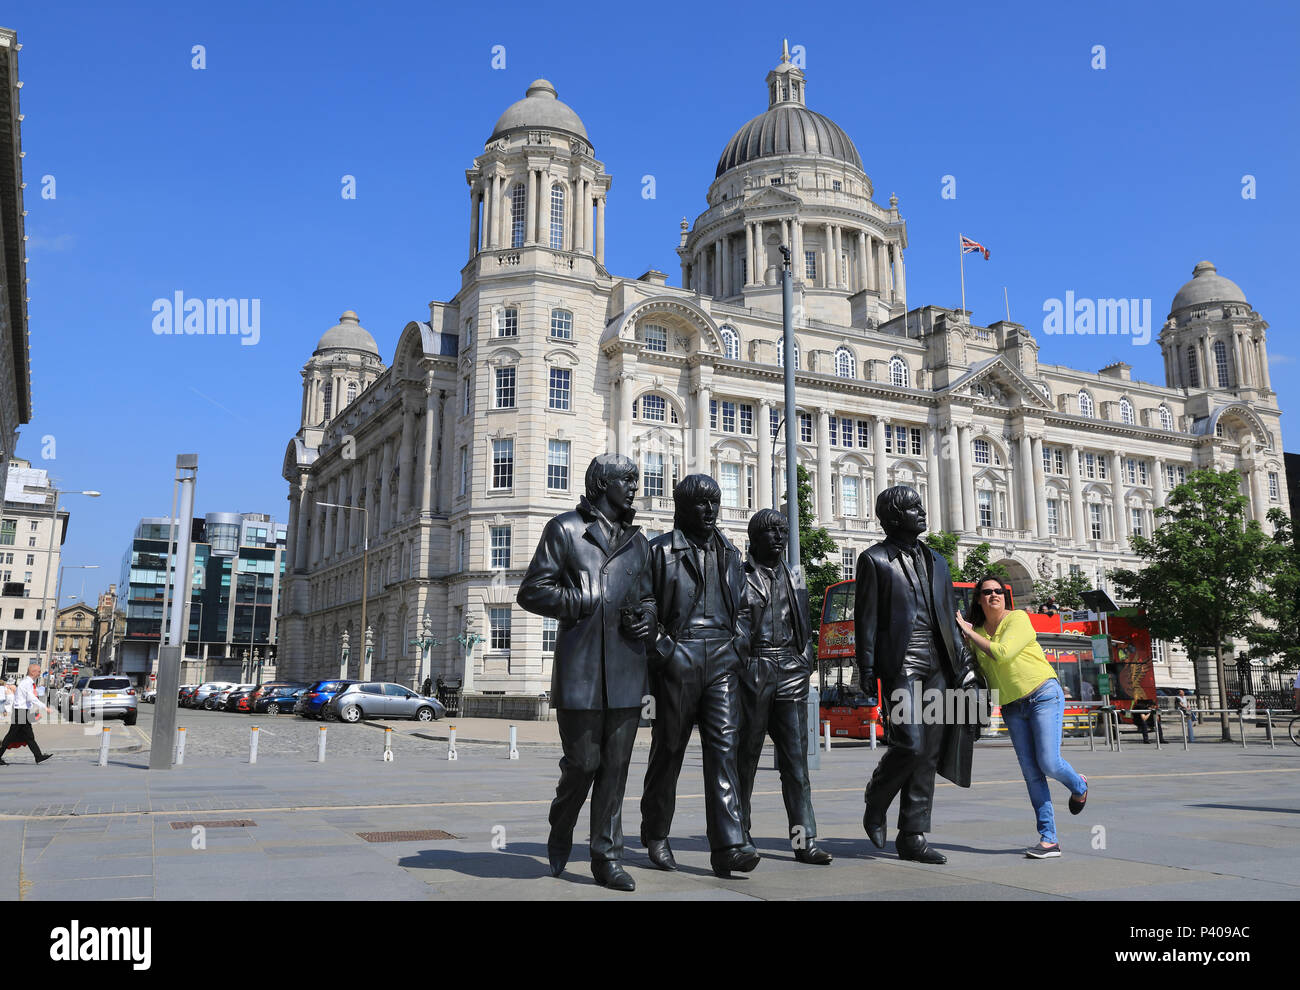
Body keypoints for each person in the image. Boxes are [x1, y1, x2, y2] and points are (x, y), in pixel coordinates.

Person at [517, 453, 656, 892]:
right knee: (583, 764)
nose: (634, 486)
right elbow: (531, 590)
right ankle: (562, 825)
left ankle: (606, 855)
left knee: (616, 768)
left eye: (635, 479)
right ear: (601, 484)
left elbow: (649, 597)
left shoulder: (639, 541)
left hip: (628, 669)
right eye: (626, 479)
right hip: (580, 671)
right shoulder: (565, 529)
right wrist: (575, 601)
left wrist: (648, 618)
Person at [855, 485, 981, 865]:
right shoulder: (874, 560)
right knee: (908, 742)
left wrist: (966, 667)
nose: (922, 512)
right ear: (893, 517)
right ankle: (876, 800)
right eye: (912, 508)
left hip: (939, 662)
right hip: (901, 660)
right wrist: (866, 667)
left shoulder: (939, 562)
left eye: (920, 505)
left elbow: (949, 618)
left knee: (927, 752)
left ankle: (913, 834)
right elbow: (866, 619)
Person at [640, 473, 757, 879]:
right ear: (682, 506)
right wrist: (666, 652)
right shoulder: (658, 551)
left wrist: (738, 645)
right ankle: (655, 831)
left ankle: (728, 846)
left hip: (723, 658)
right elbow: (641, 608)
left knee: (725, 750)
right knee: (669, 749)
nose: (710, 510)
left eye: (715, 502)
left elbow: (743, 608)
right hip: (680, 655)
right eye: (701, 503)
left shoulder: (730, 552)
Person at [956, 575, 1088, 858]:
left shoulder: (1018, 619)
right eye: (987, 592)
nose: (994, 595)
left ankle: (1079, 785)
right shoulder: (977, 630)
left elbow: (1003, 654)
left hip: (1042, 694)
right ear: (979, 599)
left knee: (1049, 762)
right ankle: (1049, 839)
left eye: (999, 591)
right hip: (1011, 706)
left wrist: (969, 634)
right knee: (1031, 774)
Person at [737, 509, 831, 866]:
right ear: (755, 537)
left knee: (796, 764)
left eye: (782, 531)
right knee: (745, 760)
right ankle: (740, 836)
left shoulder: (795, 573)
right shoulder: (739, 574)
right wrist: (743, 664)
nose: (779, 537)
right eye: (771, 532)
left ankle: (804, 840)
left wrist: (805, 657)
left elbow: (803, 619)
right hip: (755, 668)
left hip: (791, 669)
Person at [0, 663, 53, 765]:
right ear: (33, 672)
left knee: (29, 736)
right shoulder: (27, 683)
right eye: (38, 671)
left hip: (23, 712)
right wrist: (44, 707)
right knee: (10, 736)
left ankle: (38, 756)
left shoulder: (28, 682)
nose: (39, 673)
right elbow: (31, 697)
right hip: (20, 712)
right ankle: (38, 756)